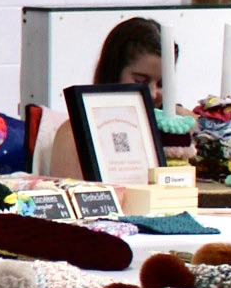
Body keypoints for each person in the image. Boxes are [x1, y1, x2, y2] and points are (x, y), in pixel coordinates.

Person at [48, 16, 165, 175]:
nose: (152, 94)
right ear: (113, 72)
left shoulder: (178, 135)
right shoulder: (72, 135)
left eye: (162, 84)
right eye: (140, 81)